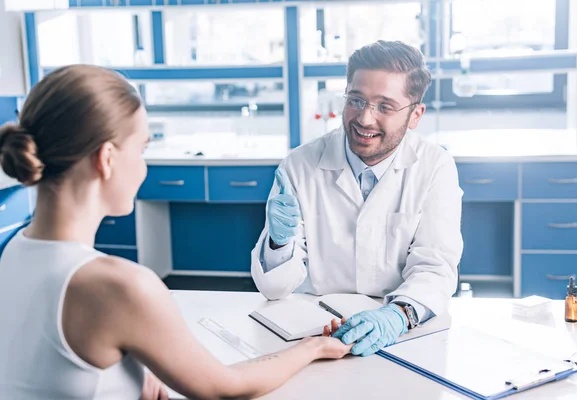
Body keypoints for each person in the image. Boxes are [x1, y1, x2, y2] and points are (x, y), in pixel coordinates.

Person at [0, 65, 351, 400]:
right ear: (106, 159)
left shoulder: (9, 246)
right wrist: (315, 346)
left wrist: (130, 370)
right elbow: (226, 387)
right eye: (142, 150)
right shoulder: (118, 286)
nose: (143, 167)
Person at [251, 40, 463, 357]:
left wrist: (397, 316)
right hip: (314, 332)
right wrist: (280, 244)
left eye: (385, 106)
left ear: (415, 115)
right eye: (357, 100)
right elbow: (274, 288)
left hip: (402, 330)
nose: (364, 119)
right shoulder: (299, 165)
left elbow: (435, 268)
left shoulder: (434, 167)